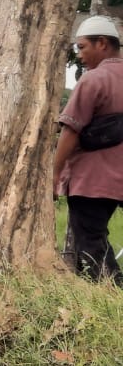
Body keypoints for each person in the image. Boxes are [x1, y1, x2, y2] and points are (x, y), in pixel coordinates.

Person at [53, 15, 123, 285]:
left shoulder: (93, 80)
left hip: (93, 180)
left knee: (91, 243)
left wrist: (55, 173)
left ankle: (111, 292)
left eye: (82, 47)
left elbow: (70, 130)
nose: (80, 55)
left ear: (102, 43)